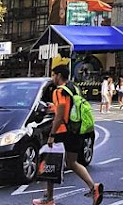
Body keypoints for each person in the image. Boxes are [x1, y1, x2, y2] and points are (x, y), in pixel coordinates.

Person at [33, 64, 103, 205]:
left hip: (62, 131)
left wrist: (52, 135)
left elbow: (60, 115)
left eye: (53, 75)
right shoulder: (74, 87)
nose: (53, 78)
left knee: (49, 162)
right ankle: (93, 187)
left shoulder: (59, 91)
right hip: (76, 130)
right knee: (72, 162)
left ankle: (48, 198)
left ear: (58, 75)